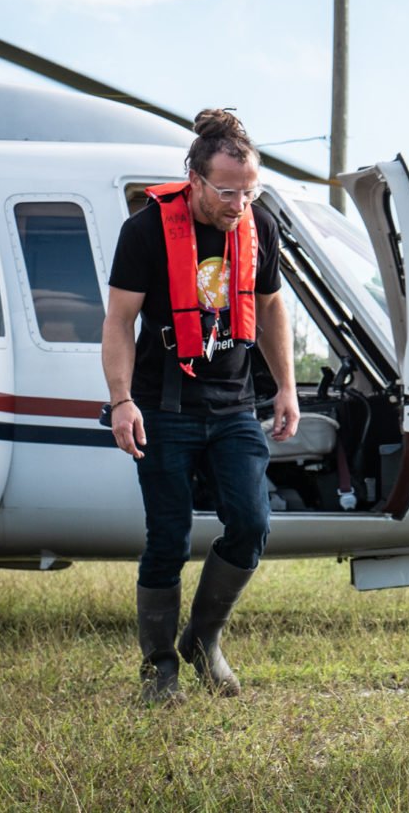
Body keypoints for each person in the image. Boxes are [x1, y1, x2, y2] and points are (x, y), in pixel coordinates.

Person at [101, 108, 300, 704]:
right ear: (193, 178)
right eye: (227, 192)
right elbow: (118, 322)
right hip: (164, 405)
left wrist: (285, 386)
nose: (240, 203)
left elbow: (269, 308)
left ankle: (202, 640)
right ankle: (160, 665)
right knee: (168, 536)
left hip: (234, 403)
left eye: (250, 190)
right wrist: (121, 401)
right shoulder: (144, 230)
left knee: (252, 524)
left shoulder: (259, 225)